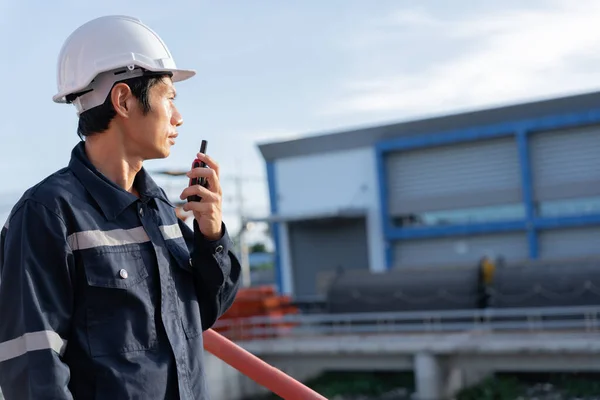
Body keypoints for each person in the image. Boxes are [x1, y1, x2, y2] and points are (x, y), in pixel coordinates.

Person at [0, 15, 241, 399]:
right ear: (124, 100)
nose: (178, 117)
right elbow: (33, 369)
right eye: (170, 98)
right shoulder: (47, 213)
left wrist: (210, 234)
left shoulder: (159, 207)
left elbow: (203, 314)